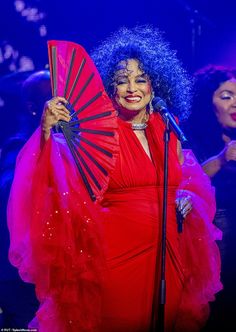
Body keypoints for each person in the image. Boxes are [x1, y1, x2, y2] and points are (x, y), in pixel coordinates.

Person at [7, 26, 222, 332]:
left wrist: (185, 198)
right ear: (110, 87)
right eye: (122, 81)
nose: (131, 88)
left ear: (155, 85)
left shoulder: (167, 130)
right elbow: (53, 178)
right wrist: (45, 131)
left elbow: (187, 180)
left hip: (168, 255)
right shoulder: (97, 133)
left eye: (140, 79)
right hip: (115, 258)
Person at [184, 64, 236, 331]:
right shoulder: (191, 135)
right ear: (208, 102)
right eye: (226, 96)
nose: (234, 104)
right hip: (214, 232)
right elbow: (184, 181)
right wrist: (221, 160)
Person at [0, 70, 51, 328]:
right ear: (33, 108)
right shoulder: (18, 146)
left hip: (46, 269)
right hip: (19, 275)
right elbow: (8, 188)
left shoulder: (63, 145)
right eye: (49, 96)